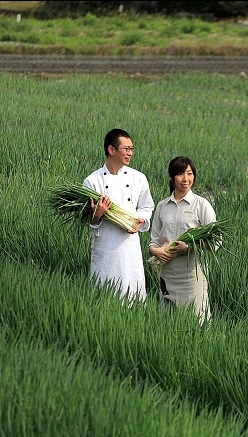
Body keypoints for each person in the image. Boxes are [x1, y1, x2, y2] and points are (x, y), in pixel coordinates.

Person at [83, 128, 155, 303]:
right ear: (111, 150)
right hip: (106, 246)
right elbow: (87, 220)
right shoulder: (93, 181)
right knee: (104, 295)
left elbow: (147, 206)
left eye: (132, 149)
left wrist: (141, 220)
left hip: (131, 246)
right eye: (126, 149)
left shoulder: (139, 178)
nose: (130, 153)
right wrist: (97, 215)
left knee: (133, 294)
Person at [149, 156, 217, 324]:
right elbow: (154, 240)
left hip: (192, 274)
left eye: (189, 173)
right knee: (168, 318)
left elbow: (215, 241)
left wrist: (189, 247)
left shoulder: (202, 205)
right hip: (166, 272)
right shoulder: (162, 206)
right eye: (180, 174)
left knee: (196, 318)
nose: (185, 179)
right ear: (171, 178)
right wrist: (155, 250)